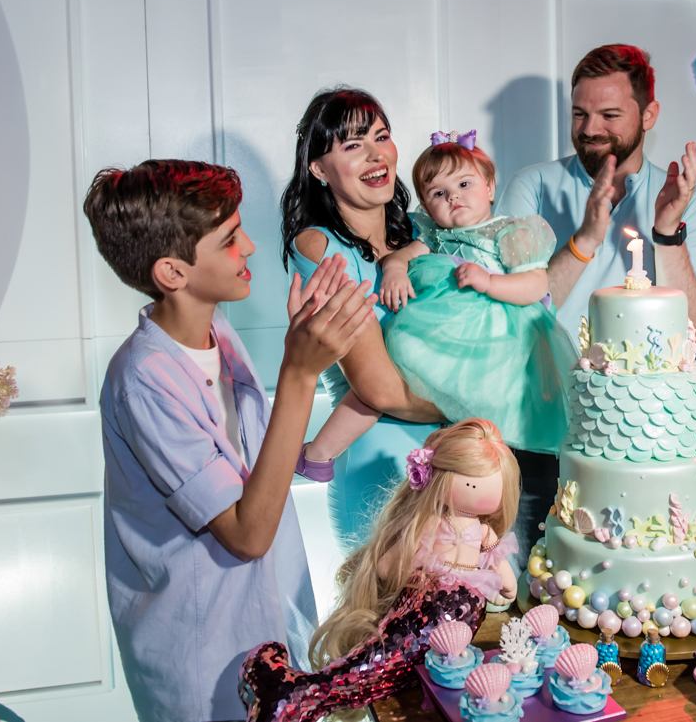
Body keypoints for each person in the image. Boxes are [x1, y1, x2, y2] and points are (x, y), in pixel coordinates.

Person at [84, 159, 377, 722]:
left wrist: (306, 351)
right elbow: (248, 534)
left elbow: (253, 465)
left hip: (263, 625)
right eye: (229, 239)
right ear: (173, 272)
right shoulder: (142, 379)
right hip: (201, 651)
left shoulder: (216, 330)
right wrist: (299, 373)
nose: (250, 248)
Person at [494, 43, 696, 560]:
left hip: (638, 443)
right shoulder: (532, 187)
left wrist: (667, 232)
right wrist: (586, 239)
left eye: (609, 115)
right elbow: (508, 314)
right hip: (533, 437)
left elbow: (695, 326)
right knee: (526, 588)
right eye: (580, 113)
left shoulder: (689, 202)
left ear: (649, 114)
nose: (590, 128)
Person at [302, 131, 576, 465]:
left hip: (498, 344)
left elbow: (535, 286)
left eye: (464, 184)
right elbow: (399, 257)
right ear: (427, 206)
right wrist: (395, 272)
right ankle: (319, 453)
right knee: (386, 376)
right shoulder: (434, 235)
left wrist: (489, 282)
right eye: (438, 193)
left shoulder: (509, 232)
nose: (453, 197)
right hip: (444, 337)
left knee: (488, 424)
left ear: (490, 187)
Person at [239, 419, 520, 722]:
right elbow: (386, 568)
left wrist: (505, 584)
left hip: (457, 638)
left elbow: (505, 579)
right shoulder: (432, 524)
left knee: (399, 673)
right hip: (424, 615)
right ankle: (291, 696)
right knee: (379, 664)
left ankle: (294, 695)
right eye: (473, 484)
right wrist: (418, 571)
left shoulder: (484, 533)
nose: (488, 495)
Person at [282, 87, 446, 553]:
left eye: (382, 136)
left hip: (459, 461)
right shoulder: (320, 246)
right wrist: (479, 405)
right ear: (319, 169)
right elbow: (379, 389)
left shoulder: (424, 230)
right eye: (354, 145)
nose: (377, 155)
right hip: (382, 470)